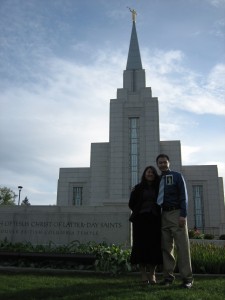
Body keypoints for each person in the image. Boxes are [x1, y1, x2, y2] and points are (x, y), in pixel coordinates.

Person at [156, 154, 193, 289]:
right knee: (166, 248)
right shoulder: (158, 179)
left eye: (164, 162)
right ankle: (168, 277)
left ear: (169, 163)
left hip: (176, 213)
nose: (162, 165)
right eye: (160, 163)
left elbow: (184, 196)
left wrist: (183, 215)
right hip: (163, 214)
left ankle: (187, 279)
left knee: (182, 247)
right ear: (157, 165)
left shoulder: (177, 176)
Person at [129, 166, 163, 285]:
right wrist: (139, 210)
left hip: (155, 220)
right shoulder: (138, 188)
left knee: (154, 246)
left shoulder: (159, 187)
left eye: (152, 172)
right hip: (141, 221)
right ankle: (143, 274)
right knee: (140, 246)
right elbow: (131, 203)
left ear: (155, 175)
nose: (150, 174)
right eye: (148, 172)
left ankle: (152, 273)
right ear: (144, 174)